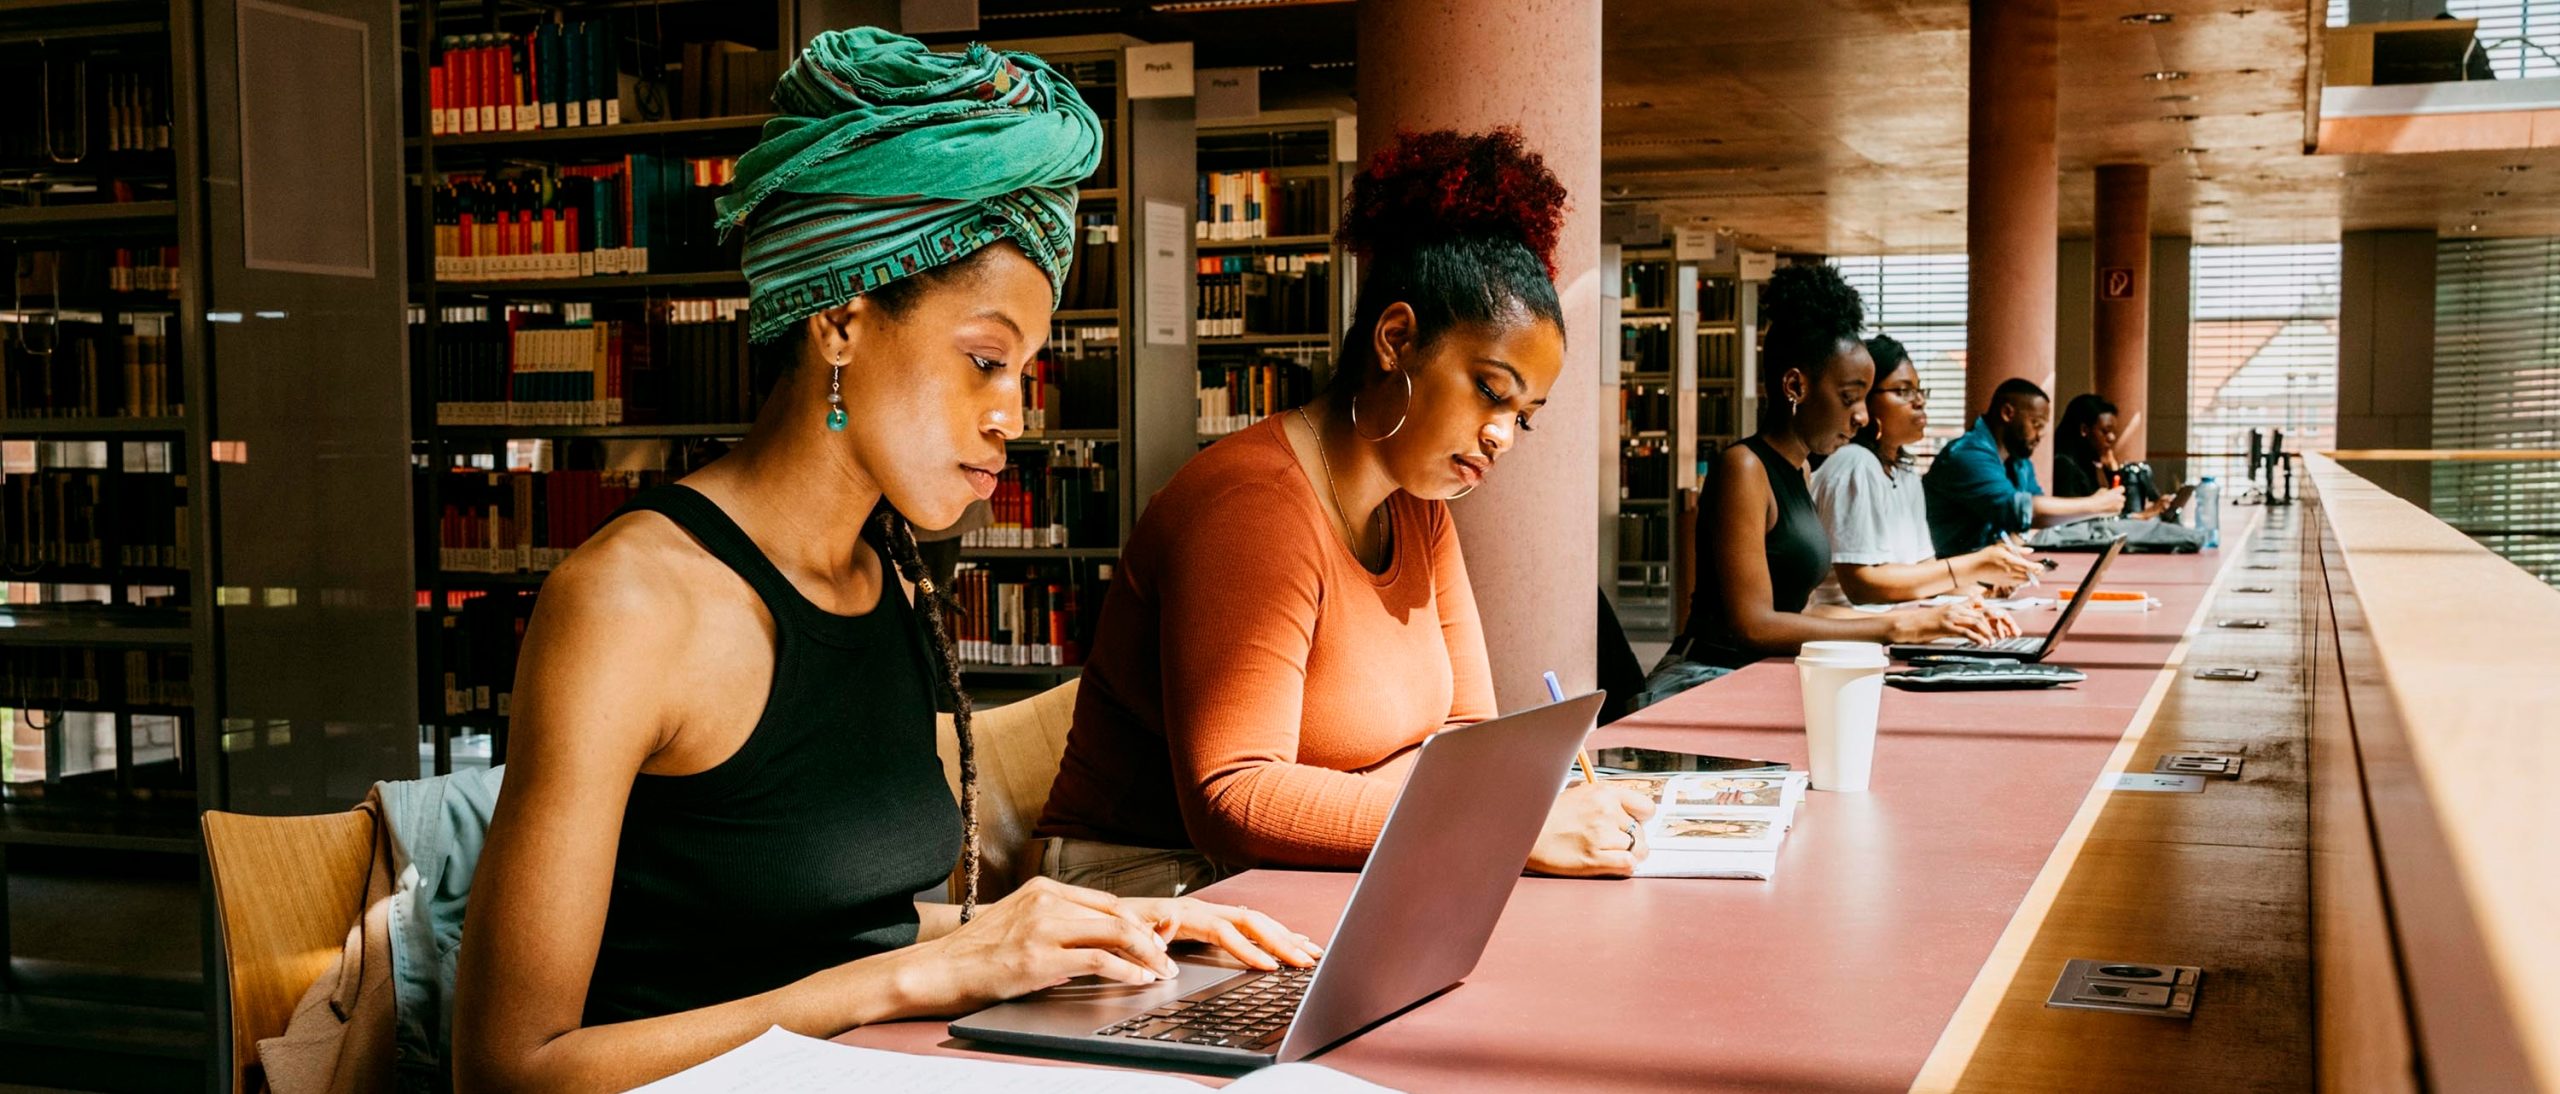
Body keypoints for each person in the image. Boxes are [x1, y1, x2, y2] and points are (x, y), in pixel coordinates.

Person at [452, 32, 1316, 1093]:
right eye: (985, 362)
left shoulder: (888, 572)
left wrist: (1101, 925)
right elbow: (505, 1066)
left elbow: (832, 918)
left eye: (1026, 373)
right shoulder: (629, 603)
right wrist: (904, 979)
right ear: (842, 320)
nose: (1014, 418)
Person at [1034, 128, 1655, 896]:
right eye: (1492, 391)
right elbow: (1236, 797)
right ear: (1396, 340)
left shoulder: (1420, 508)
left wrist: (1456, 799)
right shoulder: (1252, 510)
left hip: (1294, 875)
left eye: (1524, 416)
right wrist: (1499, 821)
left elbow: (1461, 738)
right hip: (1148, 889)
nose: (1502, 435)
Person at [1633, 266, 2007, 710]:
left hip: (1755, 676)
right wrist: (1898, 628)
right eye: (1850, 398)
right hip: (1704, 681)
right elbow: (1754, 625)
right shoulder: (1744, 468)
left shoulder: (1801, 471)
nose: (1863, 417)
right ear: (1796, 386)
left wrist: (1934, 618)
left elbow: (1801, 614)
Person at [1810, 335, 2037, 607]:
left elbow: (1923, 570)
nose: (1919, 401)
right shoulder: (1854, 463)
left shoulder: (1905, 474)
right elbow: (1862, 586)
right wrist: (1974, 565)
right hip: (1848, 635)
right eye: (1903, 391)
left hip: (1898, 623)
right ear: (1866, 400)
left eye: (1919, 391)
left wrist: (1981, 590)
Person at [1922, 378, 2125, 557]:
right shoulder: (1968, 454)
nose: (2040, 434)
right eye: (2036, 424)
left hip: (1981, 568)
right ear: (2008, 413)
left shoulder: (2018, 459)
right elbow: (2022, 511)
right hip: (1947, 572)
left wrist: (2007, 548)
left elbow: (2038, 514)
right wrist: (2095, 505)